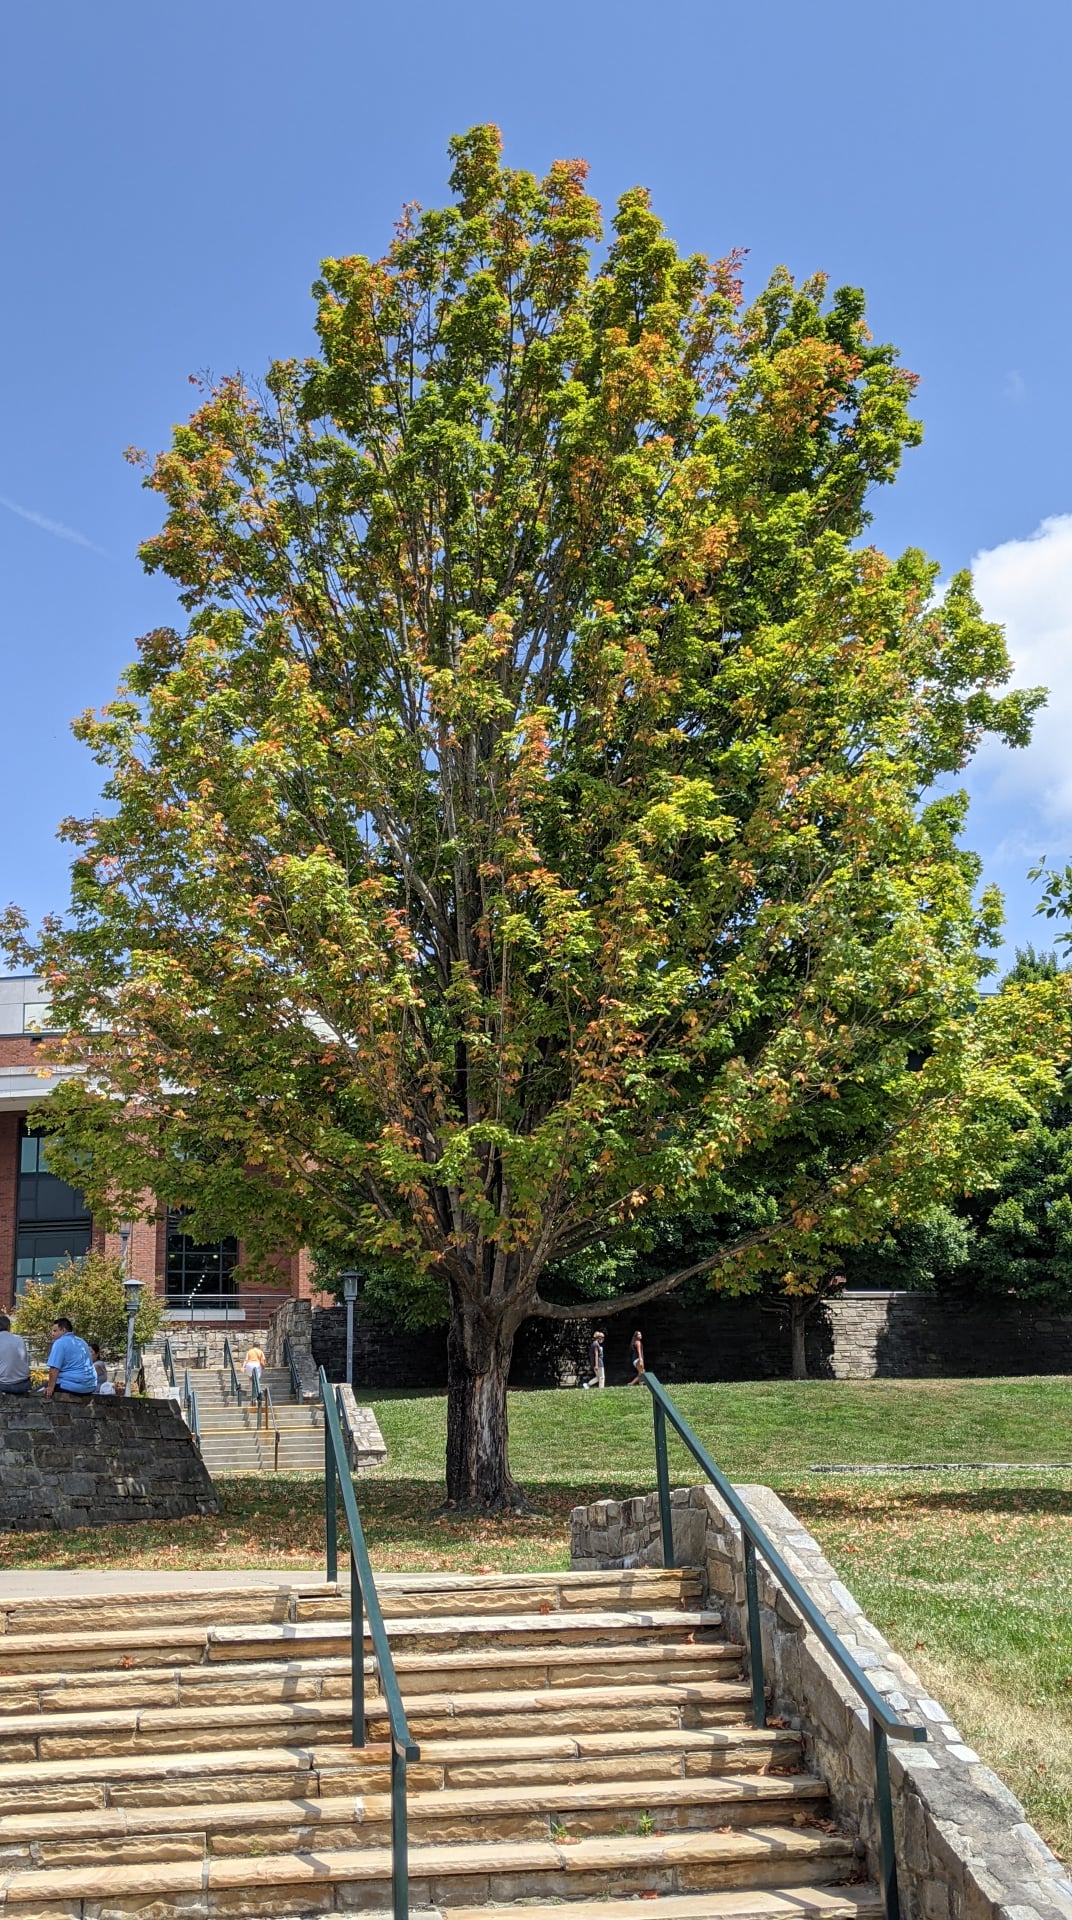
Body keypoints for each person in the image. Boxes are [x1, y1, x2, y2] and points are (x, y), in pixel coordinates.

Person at [45, 1318, 98, 1400]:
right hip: (91, 1385)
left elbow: (54, 1368)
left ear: (63, 1330)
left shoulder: (59, 1343)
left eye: (55, 1331)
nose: (52, 1333)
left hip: (74, 1386)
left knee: (43, 1389)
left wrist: (50, 1387)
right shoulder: (81, 1341)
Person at [0, 1314, 31, 1394]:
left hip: (4, 1385)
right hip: (24, 1384)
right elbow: (24, 1360)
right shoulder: (19, 1339)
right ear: (9, 1327)